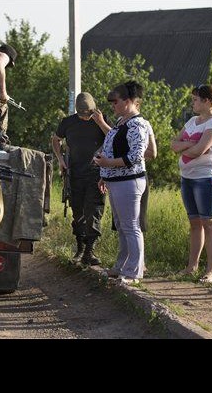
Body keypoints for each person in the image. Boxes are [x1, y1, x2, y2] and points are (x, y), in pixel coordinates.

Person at [92, 81, 153, 286]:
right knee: (122, 225)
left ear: (128, 101)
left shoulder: (137, 124)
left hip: (129, 181)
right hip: (117, 181)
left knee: (131, 226)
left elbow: (135, 156)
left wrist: (108, 164)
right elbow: (111, 149)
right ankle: (122, 265)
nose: (112, 105)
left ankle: (134, 271)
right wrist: (104, 173)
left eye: (115, 101)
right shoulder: (121, 123)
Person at [171, 84, 212, 283]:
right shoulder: (193, 121)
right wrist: (188, 144)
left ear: (207, 101)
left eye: (195, 99)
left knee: (209, 223)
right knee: (194, 224)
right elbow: (173, 144)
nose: (192, 102)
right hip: (188, 178)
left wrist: (185, 147)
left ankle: (210, 271)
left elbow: (198, 151)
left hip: (207, 179)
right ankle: (191, 267)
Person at [52, 93, 107, 265]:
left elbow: (114, 137)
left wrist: (101, 122)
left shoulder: (101, 119)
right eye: (82, 114)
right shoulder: (68, 122)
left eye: (88, 114)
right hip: (74, 173)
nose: (86, 117)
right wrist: (60, 160)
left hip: (96, 174)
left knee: (94, 211)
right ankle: (80, 248)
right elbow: (56, 139)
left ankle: (90, 250)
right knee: (78, 213)